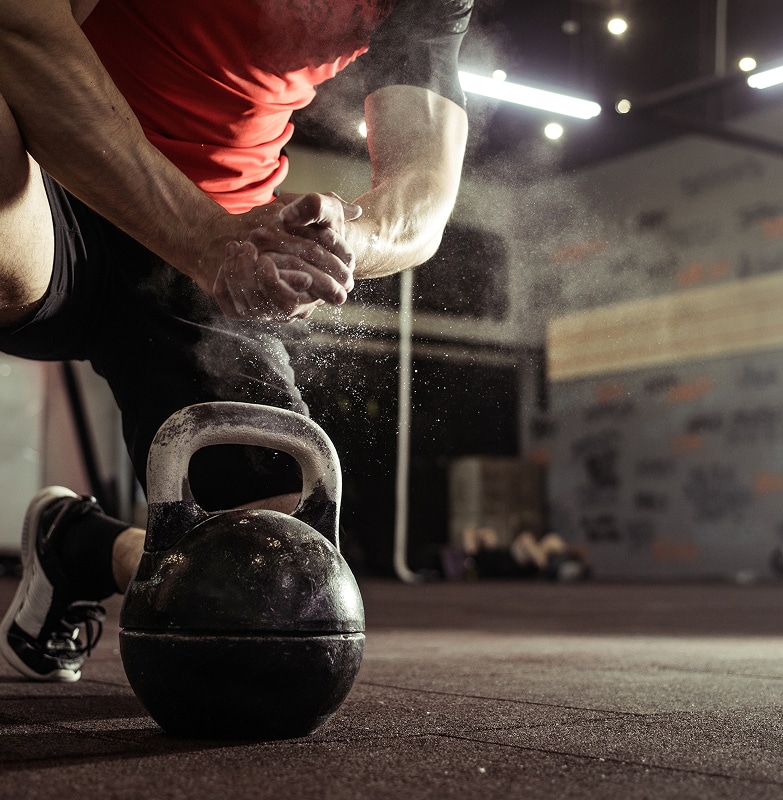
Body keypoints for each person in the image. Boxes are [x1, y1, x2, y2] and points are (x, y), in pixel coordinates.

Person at [0, 0, 472, 682]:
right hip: (49, 198)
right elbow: (18, 24)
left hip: (217, 265)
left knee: (272, 597)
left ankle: (84, 548)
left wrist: (346, 237)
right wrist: (200, 238)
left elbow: (422, 197)